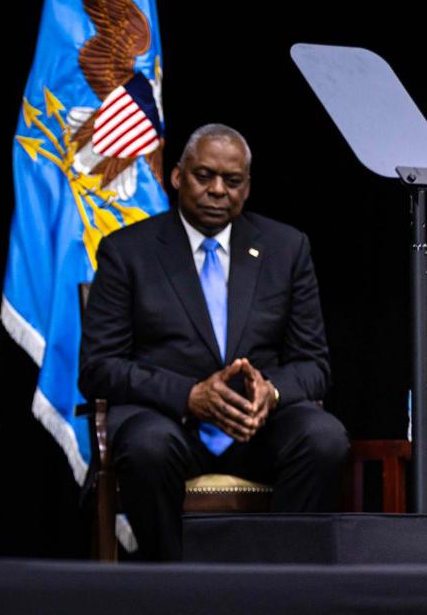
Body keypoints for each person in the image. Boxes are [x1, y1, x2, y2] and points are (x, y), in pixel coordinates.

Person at [79, 123, 348, 560]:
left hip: (256, 431)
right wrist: (189, 395)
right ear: (178, 176)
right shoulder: (127, 251)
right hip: (169, 425)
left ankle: (283, 588)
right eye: (204, 176)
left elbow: (314, 364)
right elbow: (98, 368)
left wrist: (272, 392)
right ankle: (175, 590)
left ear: (247, 186)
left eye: (232, 180)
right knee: (147, 446)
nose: (217, 190)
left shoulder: (286, 249)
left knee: (324, 438)